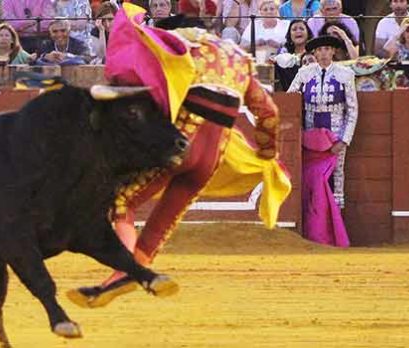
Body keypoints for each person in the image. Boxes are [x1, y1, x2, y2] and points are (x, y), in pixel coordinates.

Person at [67, 3, 291, 308]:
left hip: (180, 144)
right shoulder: (240, 59)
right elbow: (268, 113)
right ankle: (125, 275)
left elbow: (147, 92)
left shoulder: (177, 48)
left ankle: (126, 270)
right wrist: (267, 153)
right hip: (212, 157)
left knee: (122, 201)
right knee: (162, 223)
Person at [287, 35, 357, 248]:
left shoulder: (346, 74)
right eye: (319, 50)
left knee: (337, 181)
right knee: (310, 182)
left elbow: (352, 109)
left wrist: (344, 140)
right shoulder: (304, 74)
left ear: (333, 52)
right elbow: (289, 100)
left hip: (335, 137)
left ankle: (335, 235)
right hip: (310, 138)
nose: (324, 53)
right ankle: (313, 233)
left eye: (327, 49)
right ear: (314, 54)